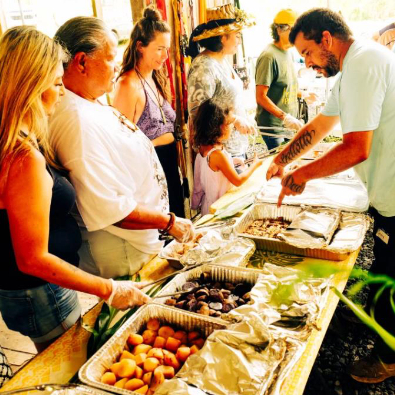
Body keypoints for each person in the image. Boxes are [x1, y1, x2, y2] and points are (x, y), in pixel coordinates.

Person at [0, 26, 150, 352]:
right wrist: (108, 289)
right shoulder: (23, 157)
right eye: (56, 84)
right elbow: (33, 259)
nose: (62, 93)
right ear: (30, 87)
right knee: (70, 366)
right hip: (41, 292)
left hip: (26, 290)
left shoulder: (14, 141)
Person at [266, 8, 395, 383]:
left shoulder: (365, 62)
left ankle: (388, 359)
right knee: (384, 269)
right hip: (386, 193)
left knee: (389, 279)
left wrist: (301, 175)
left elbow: (356, 148)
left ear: (326, 39)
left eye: (307, 53)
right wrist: (282, 159)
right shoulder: (351, 68)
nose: (307, 64)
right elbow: (322, 126)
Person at [49, 17, 194, 280]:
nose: (116, 66)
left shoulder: (87, 102)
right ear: (82, 61)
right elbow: (109, 208)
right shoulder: (76, 120)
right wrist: (169, 222)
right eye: (110, 57)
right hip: (123, 252)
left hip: (136, 244)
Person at [113, 6, 185, 218]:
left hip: (170, 164)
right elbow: (122, 143)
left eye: (167, 49)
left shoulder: (154, 76)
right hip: (151, 170)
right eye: (160, 49)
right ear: (140, 47)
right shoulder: (128, 84)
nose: (165, 56)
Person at [187, 4, 256, 163]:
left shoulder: (222, 60)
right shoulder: (203, 67)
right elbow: (199, 113)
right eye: (237, 36)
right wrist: (235, 120)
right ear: (222, 37)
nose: (239, 41)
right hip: (219, 155)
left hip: (235, 149)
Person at [191, 99, 263, 215]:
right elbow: (238, 181)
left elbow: (212, 172)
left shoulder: (203, 148)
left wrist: (232, 161)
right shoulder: (217, 155)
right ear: (217, 126)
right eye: (230, 123)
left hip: (208, 205)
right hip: (219, 208)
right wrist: (255, 164)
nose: (232, 127)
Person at [255, 9, 304, 150]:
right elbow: (260, 97)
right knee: (280, 166)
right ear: (279, 30)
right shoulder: (269, 56)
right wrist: (285, 117)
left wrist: (303, 94)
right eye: (293, 30)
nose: (297, 35)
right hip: (274, 128)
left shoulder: (288, 52)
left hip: (287, 125)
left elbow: (284, 85)